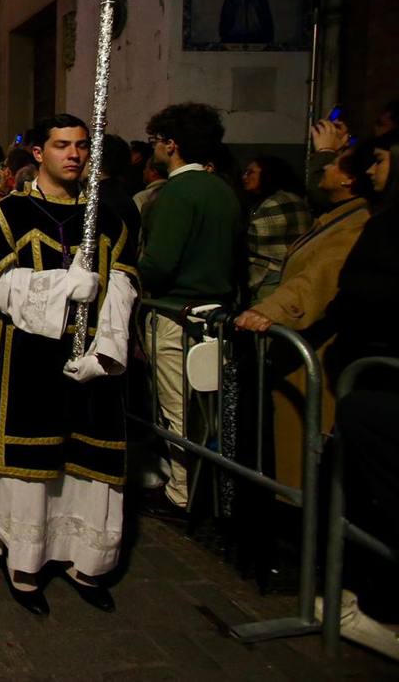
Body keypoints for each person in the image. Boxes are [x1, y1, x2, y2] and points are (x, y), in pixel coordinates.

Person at [0, 114, 138, 615]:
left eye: (81, 146)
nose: (73, 155)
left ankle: (86, 561)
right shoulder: (8, 215)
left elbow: (122, 286)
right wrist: (59, 288)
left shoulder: (110, 217)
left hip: (93, 363)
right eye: (61, 145)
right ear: (39, 153)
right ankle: (26, 561)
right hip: (27, 358)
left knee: (90, 463)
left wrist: (107, 352)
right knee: (34, 460)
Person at [234, 143, 374, 490]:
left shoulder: (356, 225)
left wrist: (268, 310)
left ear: (350, 179)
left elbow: (319, 277)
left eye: (331, 164)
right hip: (302, 340)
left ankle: (302, 521)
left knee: (308, 444)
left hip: (316, 344)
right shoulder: (334, 217)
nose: (322, 169)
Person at [137, 103, 243, 516]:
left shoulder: (178, 192)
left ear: (171, 144)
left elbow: (161, 262)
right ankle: (204, 488)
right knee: (206, 410)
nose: (154, 150)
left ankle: (183, 494)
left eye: (156, 141)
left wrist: (132, 276)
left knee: (176, 407)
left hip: (177, 311)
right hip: (216, 312)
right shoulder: (223, 189)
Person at [326, 129, 399, 384]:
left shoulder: (386, 226)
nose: (370, 170)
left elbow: (365, 290)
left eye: (379, 161)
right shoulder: (380, 219)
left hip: (376, 361)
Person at [242, 155, 312, 302]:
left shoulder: (277, 203)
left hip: (271, 276)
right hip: (288, 273)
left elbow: (252, 241)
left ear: (268, 173)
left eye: (251, 172)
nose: (245, 177)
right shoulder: (293, 198)